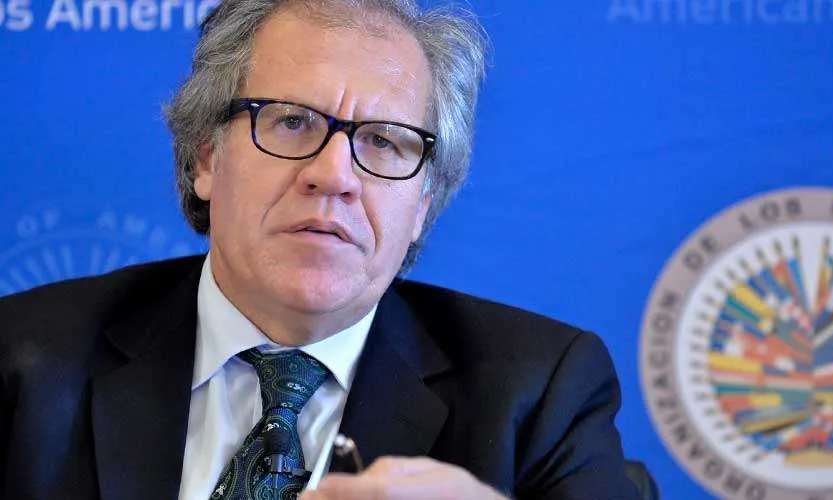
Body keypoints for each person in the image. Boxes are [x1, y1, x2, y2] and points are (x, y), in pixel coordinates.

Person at [0, 1, 640, 499]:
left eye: (384, 141)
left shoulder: (539, 395)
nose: (334, 175)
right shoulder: (24, 362)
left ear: (422, 204)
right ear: (206, 157)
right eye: (291, 121)